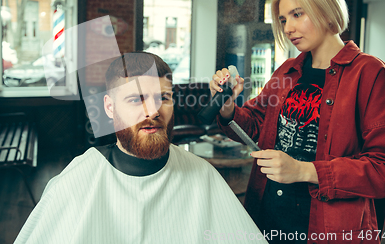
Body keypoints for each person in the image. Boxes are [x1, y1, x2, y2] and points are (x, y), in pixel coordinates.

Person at [210, 0, 385, 244]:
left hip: (330, 228)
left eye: (297, 14)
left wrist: (304, 171)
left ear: (327, 10)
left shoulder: (371, 74)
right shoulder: (287, 71)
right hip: (267, 215)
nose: (288, 28)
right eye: (283, 20)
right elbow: (256, 125)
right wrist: (228, 107)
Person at [14, 52, 267, 244]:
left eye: (163, 98)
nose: (153, 110)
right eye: (137, 99)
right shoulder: (76, 182)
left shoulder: (203, 175)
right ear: (109, 107)